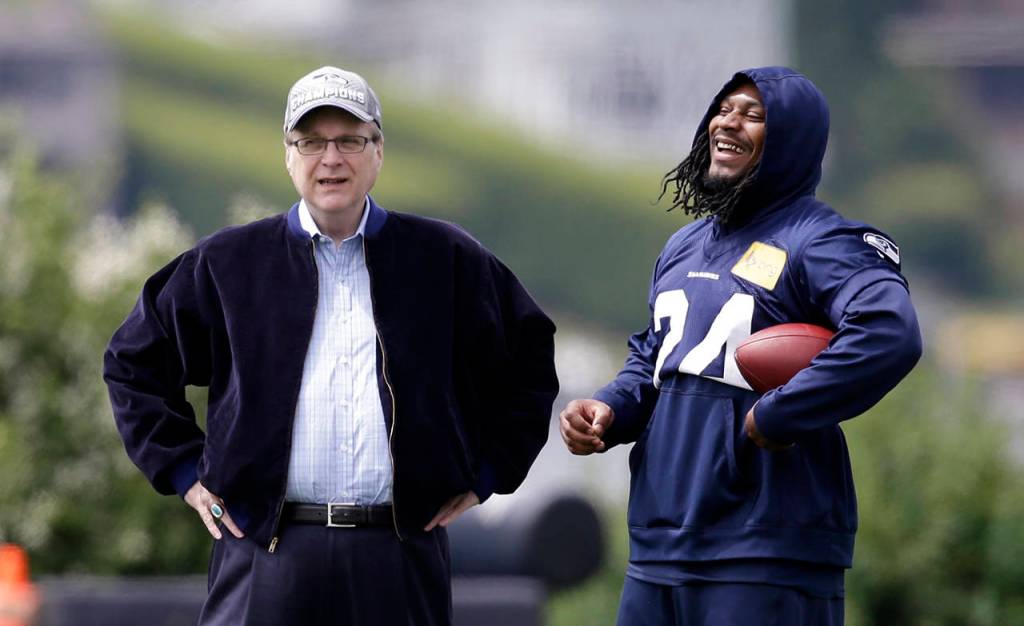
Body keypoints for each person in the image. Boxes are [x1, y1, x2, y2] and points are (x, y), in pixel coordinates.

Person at [104, 65, 559, 626]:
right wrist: (182, 472)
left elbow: (528, 360)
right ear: (288, 154)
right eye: (312, 142)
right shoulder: (228, 264)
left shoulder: (445, 259)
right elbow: (132, 362)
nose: (331, 159)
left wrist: (487, 473)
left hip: (398, 554)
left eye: (350, 140)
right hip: (263, 553)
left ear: (378, 151)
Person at [559, 67, 922, 625]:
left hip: (764, 552)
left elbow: (888, 331)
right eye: (723, 110)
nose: (728, 123)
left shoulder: (820, 240)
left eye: (753, 115)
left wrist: (781, 413)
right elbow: (655, 357)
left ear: (791, 141)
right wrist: (609, 408)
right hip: (659, 547)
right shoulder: (683, 245)